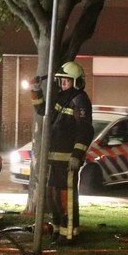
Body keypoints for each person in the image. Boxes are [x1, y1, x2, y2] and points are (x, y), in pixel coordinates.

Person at [31, 60, 94, 244]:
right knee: (53, 196)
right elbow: (43, 110)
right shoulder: (60, 97)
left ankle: (69, 235)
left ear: (76, 82)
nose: (64, 84)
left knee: (66, 198)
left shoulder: (80, 100)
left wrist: (77, 155)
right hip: (54, 159)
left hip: (68, 160)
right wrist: (36, 90)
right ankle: (58, 230)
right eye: (62, 81)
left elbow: (85, 130)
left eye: (67, 81)